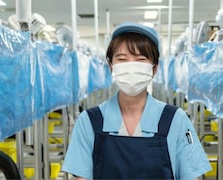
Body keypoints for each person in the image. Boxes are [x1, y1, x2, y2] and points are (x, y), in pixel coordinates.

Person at [62, 22, 212, 179]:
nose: (131, 67)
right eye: (122, 59)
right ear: (111, 66)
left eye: (140, 59)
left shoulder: (176, 120)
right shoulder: (89, 122)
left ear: (154, 68)